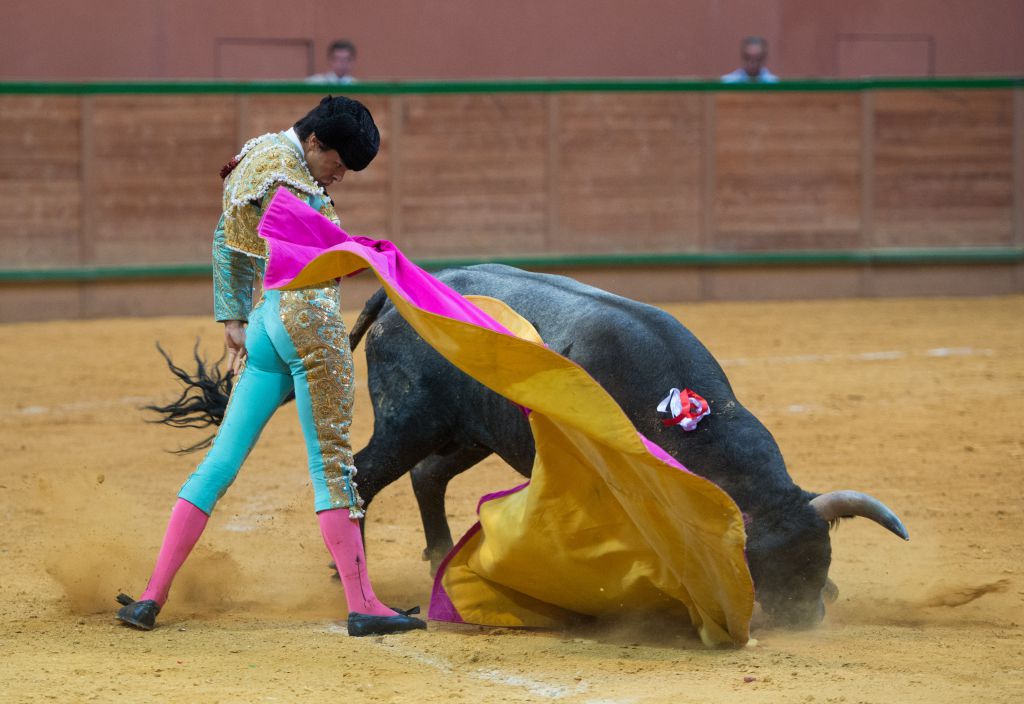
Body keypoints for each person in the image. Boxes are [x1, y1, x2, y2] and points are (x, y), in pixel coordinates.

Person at [115, 96, 426, 637]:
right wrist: (365, 253)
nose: (342, 175)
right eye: (340, 162)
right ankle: (363, 603)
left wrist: (233, 315)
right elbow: (314, 247)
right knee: (332, 465)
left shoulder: (256, 153)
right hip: (309, 322)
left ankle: (151, 595)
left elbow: (225, 234)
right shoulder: (291, 180)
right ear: (314, 142)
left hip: (265, 324)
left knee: (219, 463)